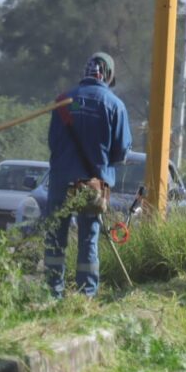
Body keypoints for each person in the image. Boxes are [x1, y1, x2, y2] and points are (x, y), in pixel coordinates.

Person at [44, 53, 132, 298]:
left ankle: (52, 294)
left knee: (55, 236)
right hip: (93, 184)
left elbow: (52, 142)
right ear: (108, 75)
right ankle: (86, 295)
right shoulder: (114, 105)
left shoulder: (63, 101)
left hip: (61, 179)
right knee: (88, 239)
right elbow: (121, 151)